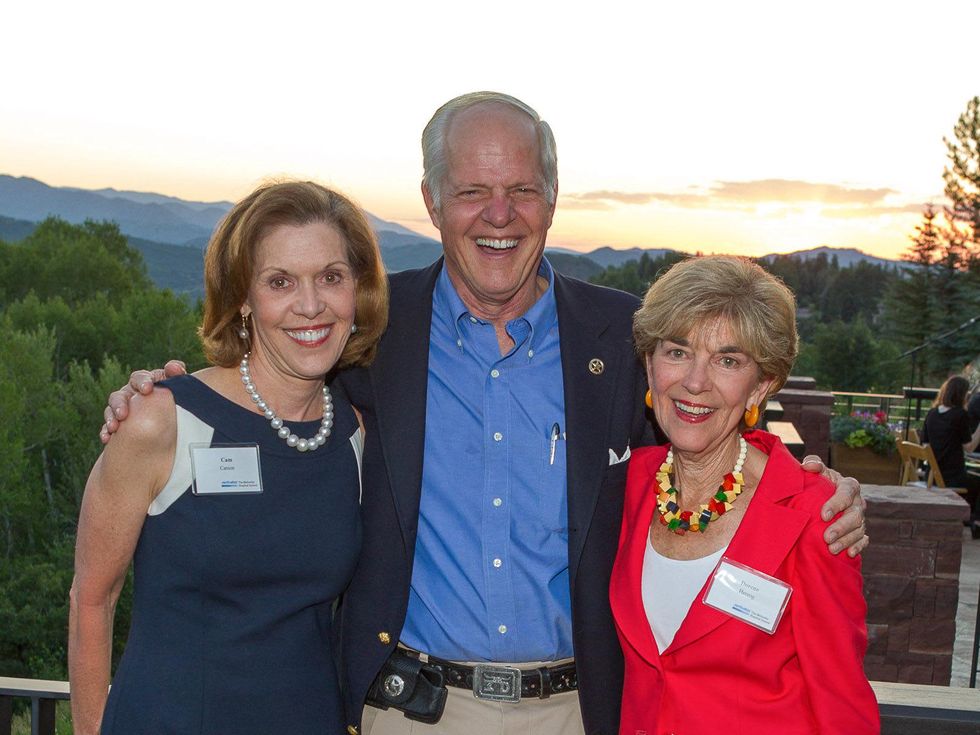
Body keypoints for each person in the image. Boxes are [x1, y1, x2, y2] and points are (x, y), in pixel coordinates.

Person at [99, 92, 868, 735]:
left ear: (552, 200)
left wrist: (811, 482)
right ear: (432, 199)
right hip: (409, 709)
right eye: (471, 190)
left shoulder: (625, 336)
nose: (498, 215)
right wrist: (156, 393)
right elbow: (269, 378)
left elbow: (706, 421)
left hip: (576, 710)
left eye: (522, 190)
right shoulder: (368, 328)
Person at [69, 181, 388, 734]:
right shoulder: (160, 420)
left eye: (331, 278)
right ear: (243, 297)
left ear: (357, 293)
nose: (310, 305)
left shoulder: (355, 433)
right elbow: (92, 600)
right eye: (280, 281)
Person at [611, 255, 879, 734]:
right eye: (677, 351)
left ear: (762, 385)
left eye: (728, 360)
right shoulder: (624, 487)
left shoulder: (813, 514)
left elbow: (841, 699)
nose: (695, 381)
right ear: (649, 364)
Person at [920, 375, 980, 531]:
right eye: (967, 393)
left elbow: (925, 445)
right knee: (977, 481)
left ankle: (966, 519)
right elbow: (969, 448)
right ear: (961, 394)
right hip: (952, 477)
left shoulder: (932, 413)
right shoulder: (960, 414)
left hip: (931, 476)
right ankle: (975, 521)